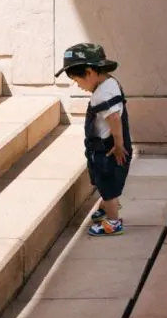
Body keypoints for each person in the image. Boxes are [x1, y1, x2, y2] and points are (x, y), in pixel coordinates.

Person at [55, 43, 131, 237]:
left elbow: (114, 119)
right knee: (105, 179)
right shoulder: (110, 83)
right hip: (109, 144)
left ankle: (113, 222)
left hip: (108, 147)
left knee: (107, 183)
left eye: (76, 80)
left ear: (89, 72)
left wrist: (118, 145)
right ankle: (107, 207)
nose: (77, 85)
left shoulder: (101, 95)